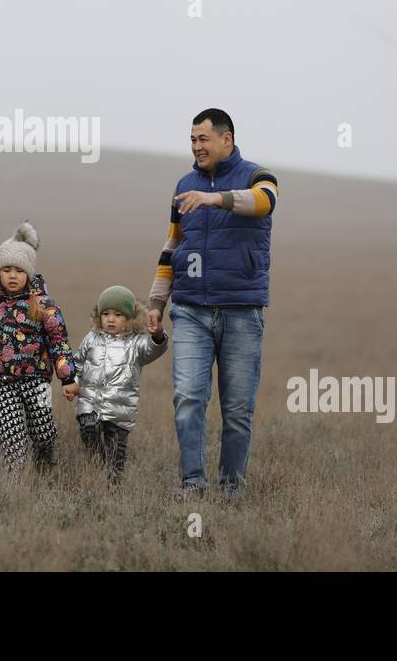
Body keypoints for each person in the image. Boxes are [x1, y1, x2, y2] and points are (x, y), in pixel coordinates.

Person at [146, 108, 279, 501]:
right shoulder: (184, 185)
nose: (196, 147)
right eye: (192, 140)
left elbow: (264, 203)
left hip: (241, 311)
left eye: (203, 139)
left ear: (227, 139)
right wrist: (156, 299)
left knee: (237, 410)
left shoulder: (258, 177)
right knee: (188, 397)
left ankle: (231, 490)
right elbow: (173, 246)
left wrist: (214, 198)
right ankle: (192, 485)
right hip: (191, 311)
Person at [0, 221, 79, 474]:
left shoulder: (44, 304)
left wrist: (68, 378)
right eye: (7, 269)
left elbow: (58, 341)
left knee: (42, 430)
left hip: (38, 380)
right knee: (11, 431)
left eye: (19, 270)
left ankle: (45, 468)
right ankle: (14, 479)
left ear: (28, 273)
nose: (12, 275)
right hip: (4, 381)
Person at [74, 285, 168, 487]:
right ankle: (98, 464)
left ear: (130, 318)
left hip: (120, 410)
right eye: (105, 313)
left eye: (118, 314)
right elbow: (77, 364)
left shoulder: (136, 344)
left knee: (116, 457)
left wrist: (158, 336)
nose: (110, 319)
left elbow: (154, 349)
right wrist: (71, 382)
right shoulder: (91, 338)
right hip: (90, 403)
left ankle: (113, 485)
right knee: (88, 429)